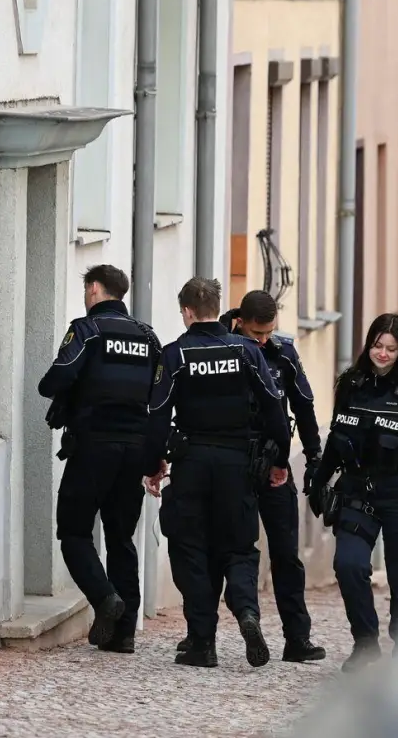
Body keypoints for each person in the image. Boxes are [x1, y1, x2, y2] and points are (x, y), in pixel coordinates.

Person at [164, 290, 325, 663]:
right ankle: (200, 635)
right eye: (257, 333)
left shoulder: (283, 352)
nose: (263, 340)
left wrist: (312, 457)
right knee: (219, 548)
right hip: (233, 461)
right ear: (239, 322)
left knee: (285, 553)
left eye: (269, 333)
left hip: (270, 465)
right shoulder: (224, 345)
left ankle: (296, 638)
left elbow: (303, 405)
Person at [144, 277, 291, 668]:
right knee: (239, 546)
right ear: (217, 307)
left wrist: (154, 463)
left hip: (192, 461)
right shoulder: (245, 351)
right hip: (236, 463)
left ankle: (202, 642)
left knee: (189, 546)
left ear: (188, 311)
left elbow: (157, 414)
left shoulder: (176, 354)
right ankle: (246, 612)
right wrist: (281, 461)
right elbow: (274, 407)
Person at [311, 312, 398, 671]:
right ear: (369, 345)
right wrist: (319, 479)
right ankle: (365, 642)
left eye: (391, 348)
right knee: (348, 564)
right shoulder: (351, 384)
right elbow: (337, 437)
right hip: (358, 489)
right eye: (377, 345)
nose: (383, 354)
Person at [37, 264, 161, 653]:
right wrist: (156, 455)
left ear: (93, 289)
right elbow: (161, 399)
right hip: (136, 450)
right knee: (122, 537)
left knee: (74, 532)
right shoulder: (148, 337)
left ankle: (105, 598)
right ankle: (123, 635)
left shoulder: (87, 329)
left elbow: (56, 378)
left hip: (94, 446)